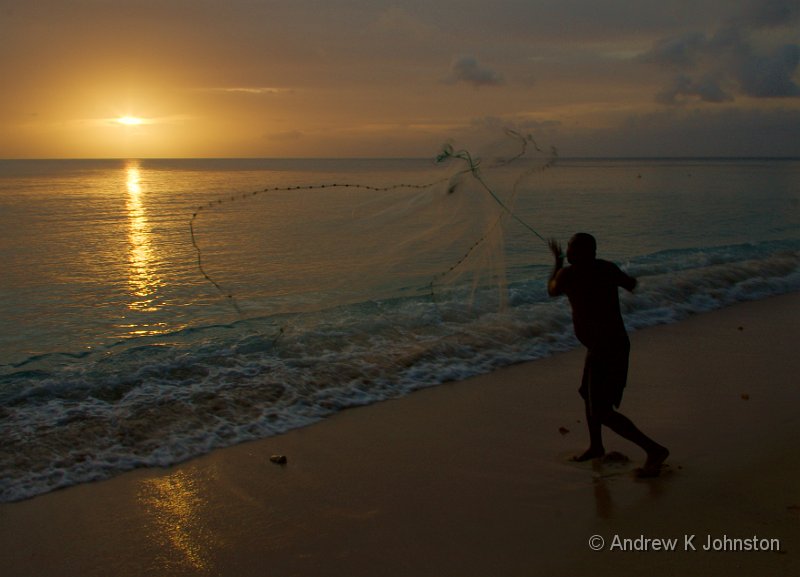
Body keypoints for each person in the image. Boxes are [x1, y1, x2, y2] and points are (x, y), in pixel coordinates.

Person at [548, 233, 668, 477]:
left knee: (601, 410)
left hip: (603, 350)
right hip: (615, 344)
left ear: (583, 253)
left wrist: (557, 262)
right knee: (588, 395)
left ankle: (654, 449)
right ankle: (596, 446)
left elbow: (552, 290)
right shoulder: (606, 268)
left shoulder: (568, 274)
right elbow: (631, 284)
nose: (569, 253)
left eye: (571, 249)